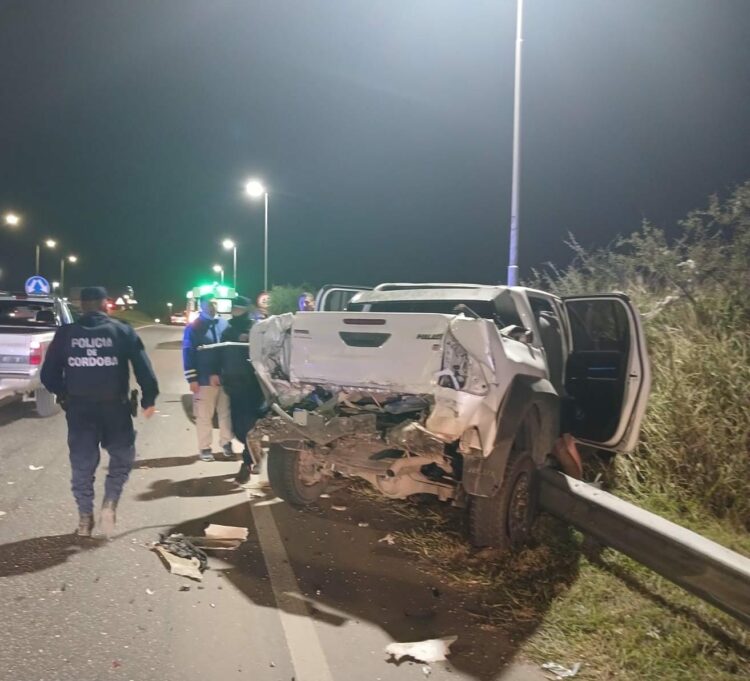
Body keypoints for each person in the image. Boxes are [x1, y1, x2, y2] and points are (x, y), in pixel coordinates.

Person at [40, 286, 159, 538]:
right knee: (122, 458)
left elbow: (48, 375)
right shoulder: (122, 331)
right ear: (106, 304)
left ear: (82, 305)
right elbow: (143, 368)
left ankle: (85, 518)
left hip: (80, 408)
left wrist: (64, 393)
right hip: (115, 408)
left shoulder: (66, 334)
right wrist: (149, 398)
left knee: (82, 465)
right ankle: (110, 502)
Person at [220, 296, 266, 483]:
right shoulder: (228, 330)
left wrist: (251, 341)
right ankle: (257, 453)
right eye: (234, 308)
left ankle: (247, 464)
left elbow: (266, 353)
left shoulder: (256, 329)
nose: (235, 311)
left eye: (239, 308)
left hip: (252, 386)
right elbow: (220, 354)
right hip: (233, 385)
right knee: (238, 429)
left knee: (248, 428)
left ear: (246, 310)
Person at [182, 292, 233, 461]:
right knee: (204, 416)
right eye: (209, 304)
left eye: (215, 303)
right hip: (204, 380)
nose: (213, 306)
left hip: (224, 379)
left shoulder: (224, 324)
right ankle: (205, 448)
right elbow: (188, 353)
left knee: (225, 413)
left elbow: (227, 352)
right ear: (202, 305)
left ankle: (226, 443)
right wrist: (192, 379)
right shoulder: (194, 327)